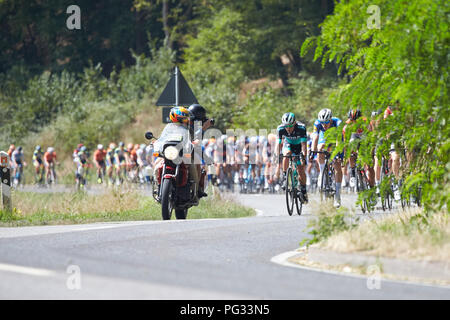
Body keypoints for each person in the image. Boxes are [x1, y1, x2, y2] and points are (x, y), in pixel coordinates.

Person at [310, 108, 343, 207]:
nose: (324, 125)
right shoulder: (317, 124)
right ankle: (322, 173)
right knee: (320, 148)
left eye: (327, 122)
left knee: (337, 165)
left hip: (336, 139)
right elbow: (315, 138)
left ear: (331, 119)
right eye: (322, 123)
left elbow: (339, 140)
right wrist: (312, 152)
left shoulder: (338, 123)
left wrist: (337, 152)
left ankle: (337, 194)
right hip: (324, 137)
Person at [275, 112, 308, 203]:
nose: (288, 128)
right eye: (286, 126)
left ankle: (304, 190)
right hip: (288, 144)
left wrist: (303, 156)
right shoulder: (281, 129)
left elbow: (304, 145)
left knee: (301, 169)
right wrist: (277, 156)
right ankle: (285, 176)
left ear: (294, 123)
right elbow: (279, 144)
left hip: (299, 146)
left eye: (290, 126)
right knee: (286, 154)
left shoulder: (301, 128)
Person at [188, 104, 214, 198]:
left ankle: (197, 188)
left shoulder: (195, 127)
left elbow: (195, 141)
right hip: (174, 152)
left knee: (197, 163)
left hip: (187, 152)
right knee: (159, 161)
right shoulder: (182, 124)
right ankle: (158, 185)